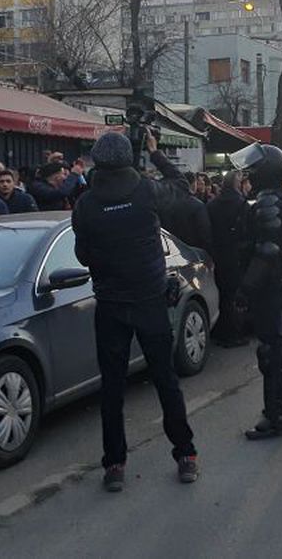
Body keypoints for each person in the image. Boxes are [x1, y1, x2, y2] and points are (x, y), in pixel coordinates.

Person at [71, 131, 198, 491]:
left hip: (111, 304)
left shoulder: (86, 204)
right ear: (129, 159)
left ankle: (114, 465)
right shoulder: (146, 191)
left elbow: (82, 254)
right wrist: (156, 154)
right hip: (150, 300)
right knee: (165, 381)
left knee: (112, 389)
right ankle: (186, 454)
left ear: (96, 160)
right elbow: (182, 187)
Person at [229, 144, 282, 440]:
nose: (250, 174)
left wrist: (246, 289)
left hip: (271, 285)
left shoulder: (269, 201)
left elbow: (267, 250)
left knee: (271, 350)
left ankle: (276, 416)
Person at [205, 170, 250, 348]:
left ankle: (222, 331)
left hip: (218, 253)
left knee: (223, 293)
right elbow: (247, 231)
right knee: (234, 295)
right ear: (237, 184)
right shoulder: (241, 204)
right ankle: (234, 333)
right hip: (236, 254)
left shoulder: (212, 204)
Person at [161, 172, 213, 250]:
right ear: (193, 184)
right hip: (194, 250)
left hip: (172, 249)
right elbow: (204, 233)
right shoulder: (197, 205)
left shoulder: (166, 204)